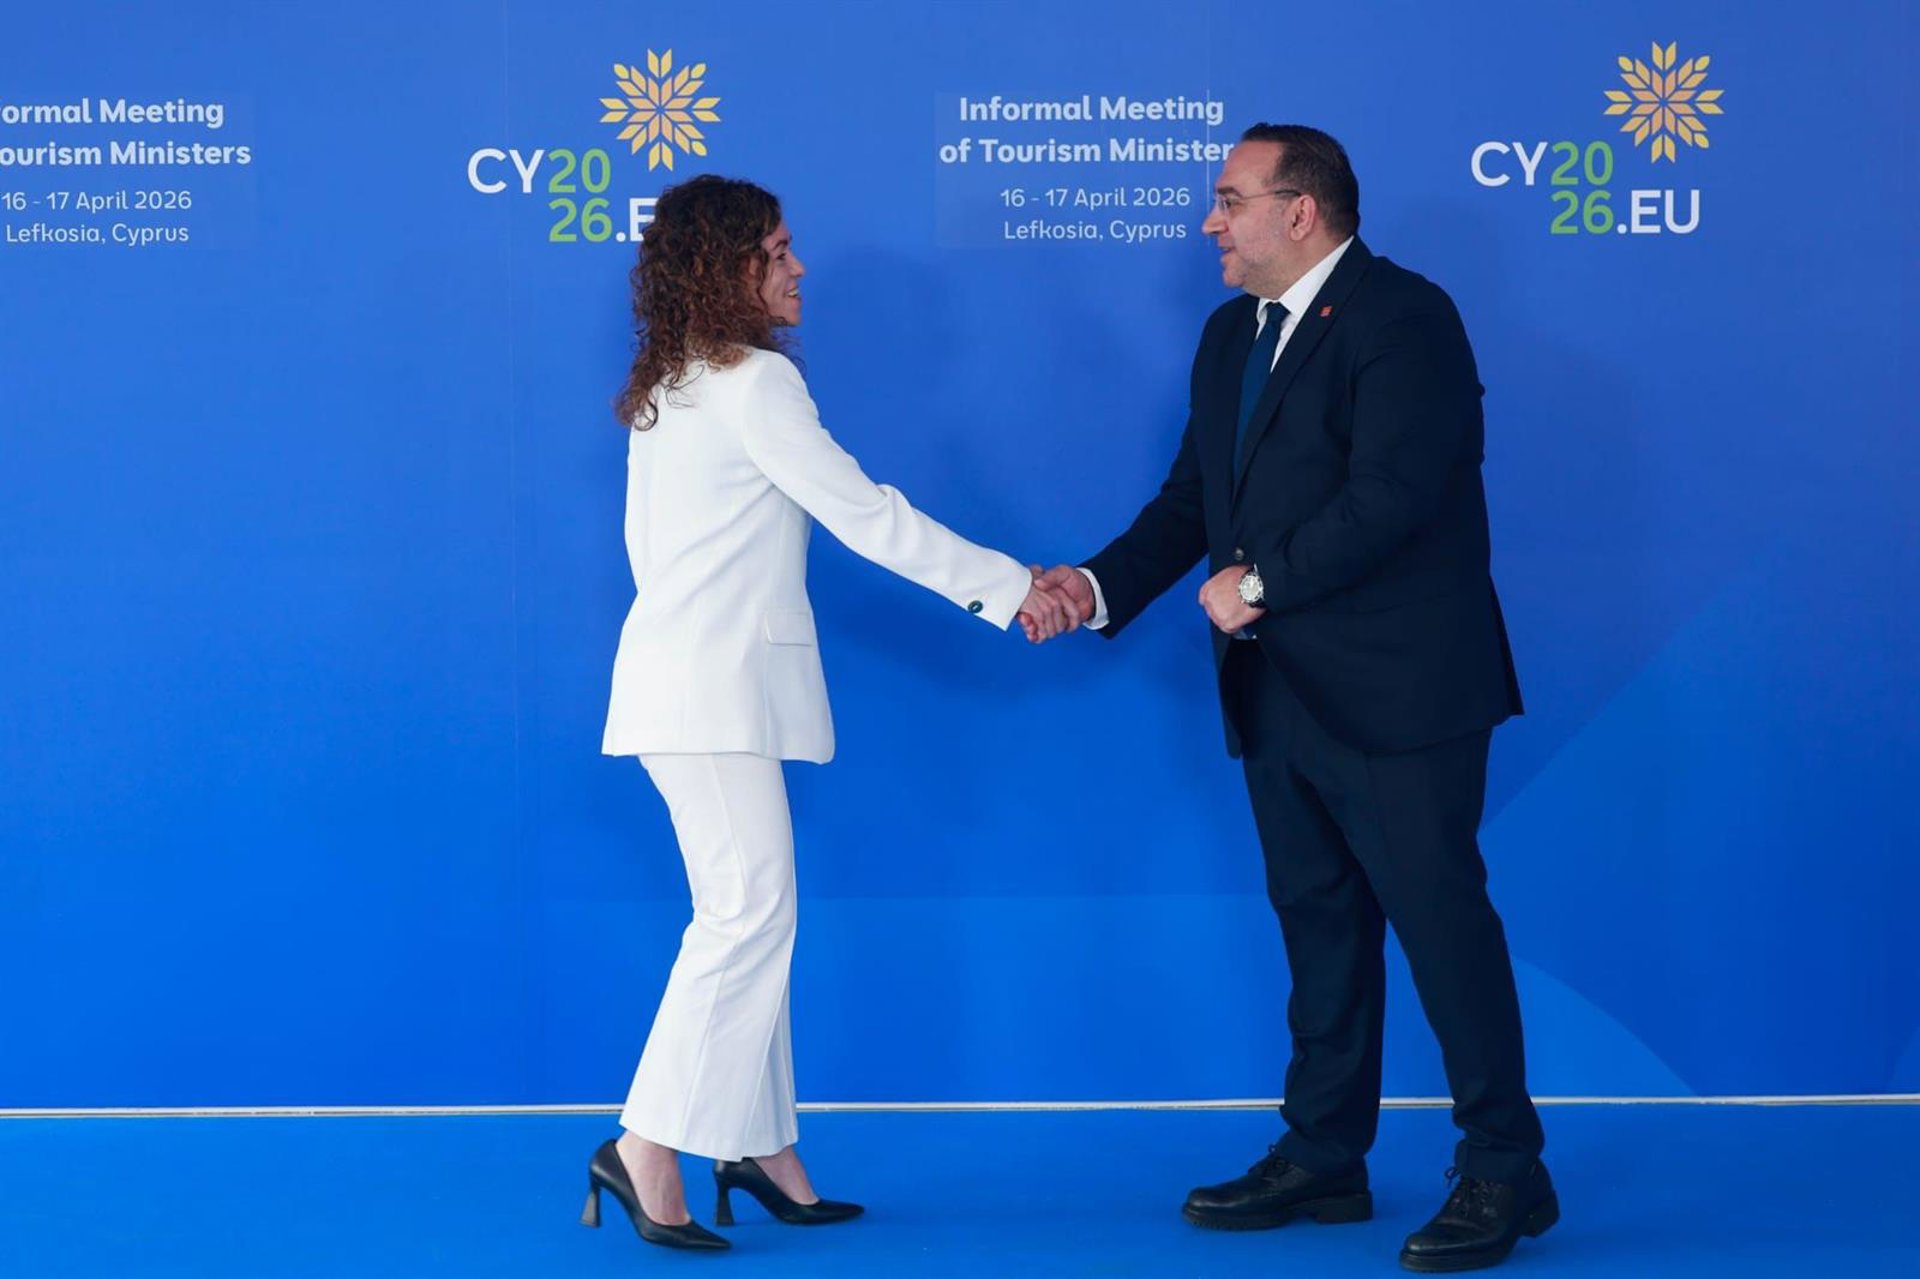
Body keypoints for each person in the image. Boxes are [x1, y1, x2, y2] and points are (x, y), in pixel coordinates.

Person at [1035, 124, 1556, 1273]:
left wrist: (1259, 583)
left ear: (1301, 211)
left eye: (1230, 200)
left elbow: (1395, 495)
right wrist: (1095, 586)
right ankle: (1325, 1151)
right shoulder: (1232, 333)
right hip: (1276, 687)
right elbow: (1193, 502)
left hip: (1401, 692)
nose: (1210, 222)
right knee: (1318, 924)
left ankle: (1506, 1165)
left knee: (1440, 926)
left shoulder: (1405, 317)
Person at [587, 174, 1077, 1253]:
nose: (797, 266)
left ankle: (761, 1149)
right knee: (746, 917)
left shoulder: (675, 383)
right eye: (777, 251)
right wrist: (1011, 588)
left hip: (690, 686)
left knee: (753, 914)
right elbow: (868, 517)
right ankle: (645, 1143)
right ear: (728, 269)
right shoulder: (755, 383)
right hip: (709, 693)